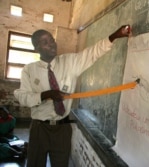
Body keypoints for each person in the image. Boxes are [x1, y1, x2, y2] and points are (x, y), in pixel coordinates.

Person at [14, 25, 131, 167]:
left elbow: (92, 53)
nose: (51, 44)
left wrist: (114, 36)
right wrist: (47, 94)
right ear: (37, 48)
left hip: (62, 128)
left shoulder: (70, 62)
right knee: (35, 164)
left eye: (51, 40)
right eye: (45, 42)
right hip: (39, 129)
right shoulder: (29, 70)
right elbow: (22, 97)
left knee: (61, 164)